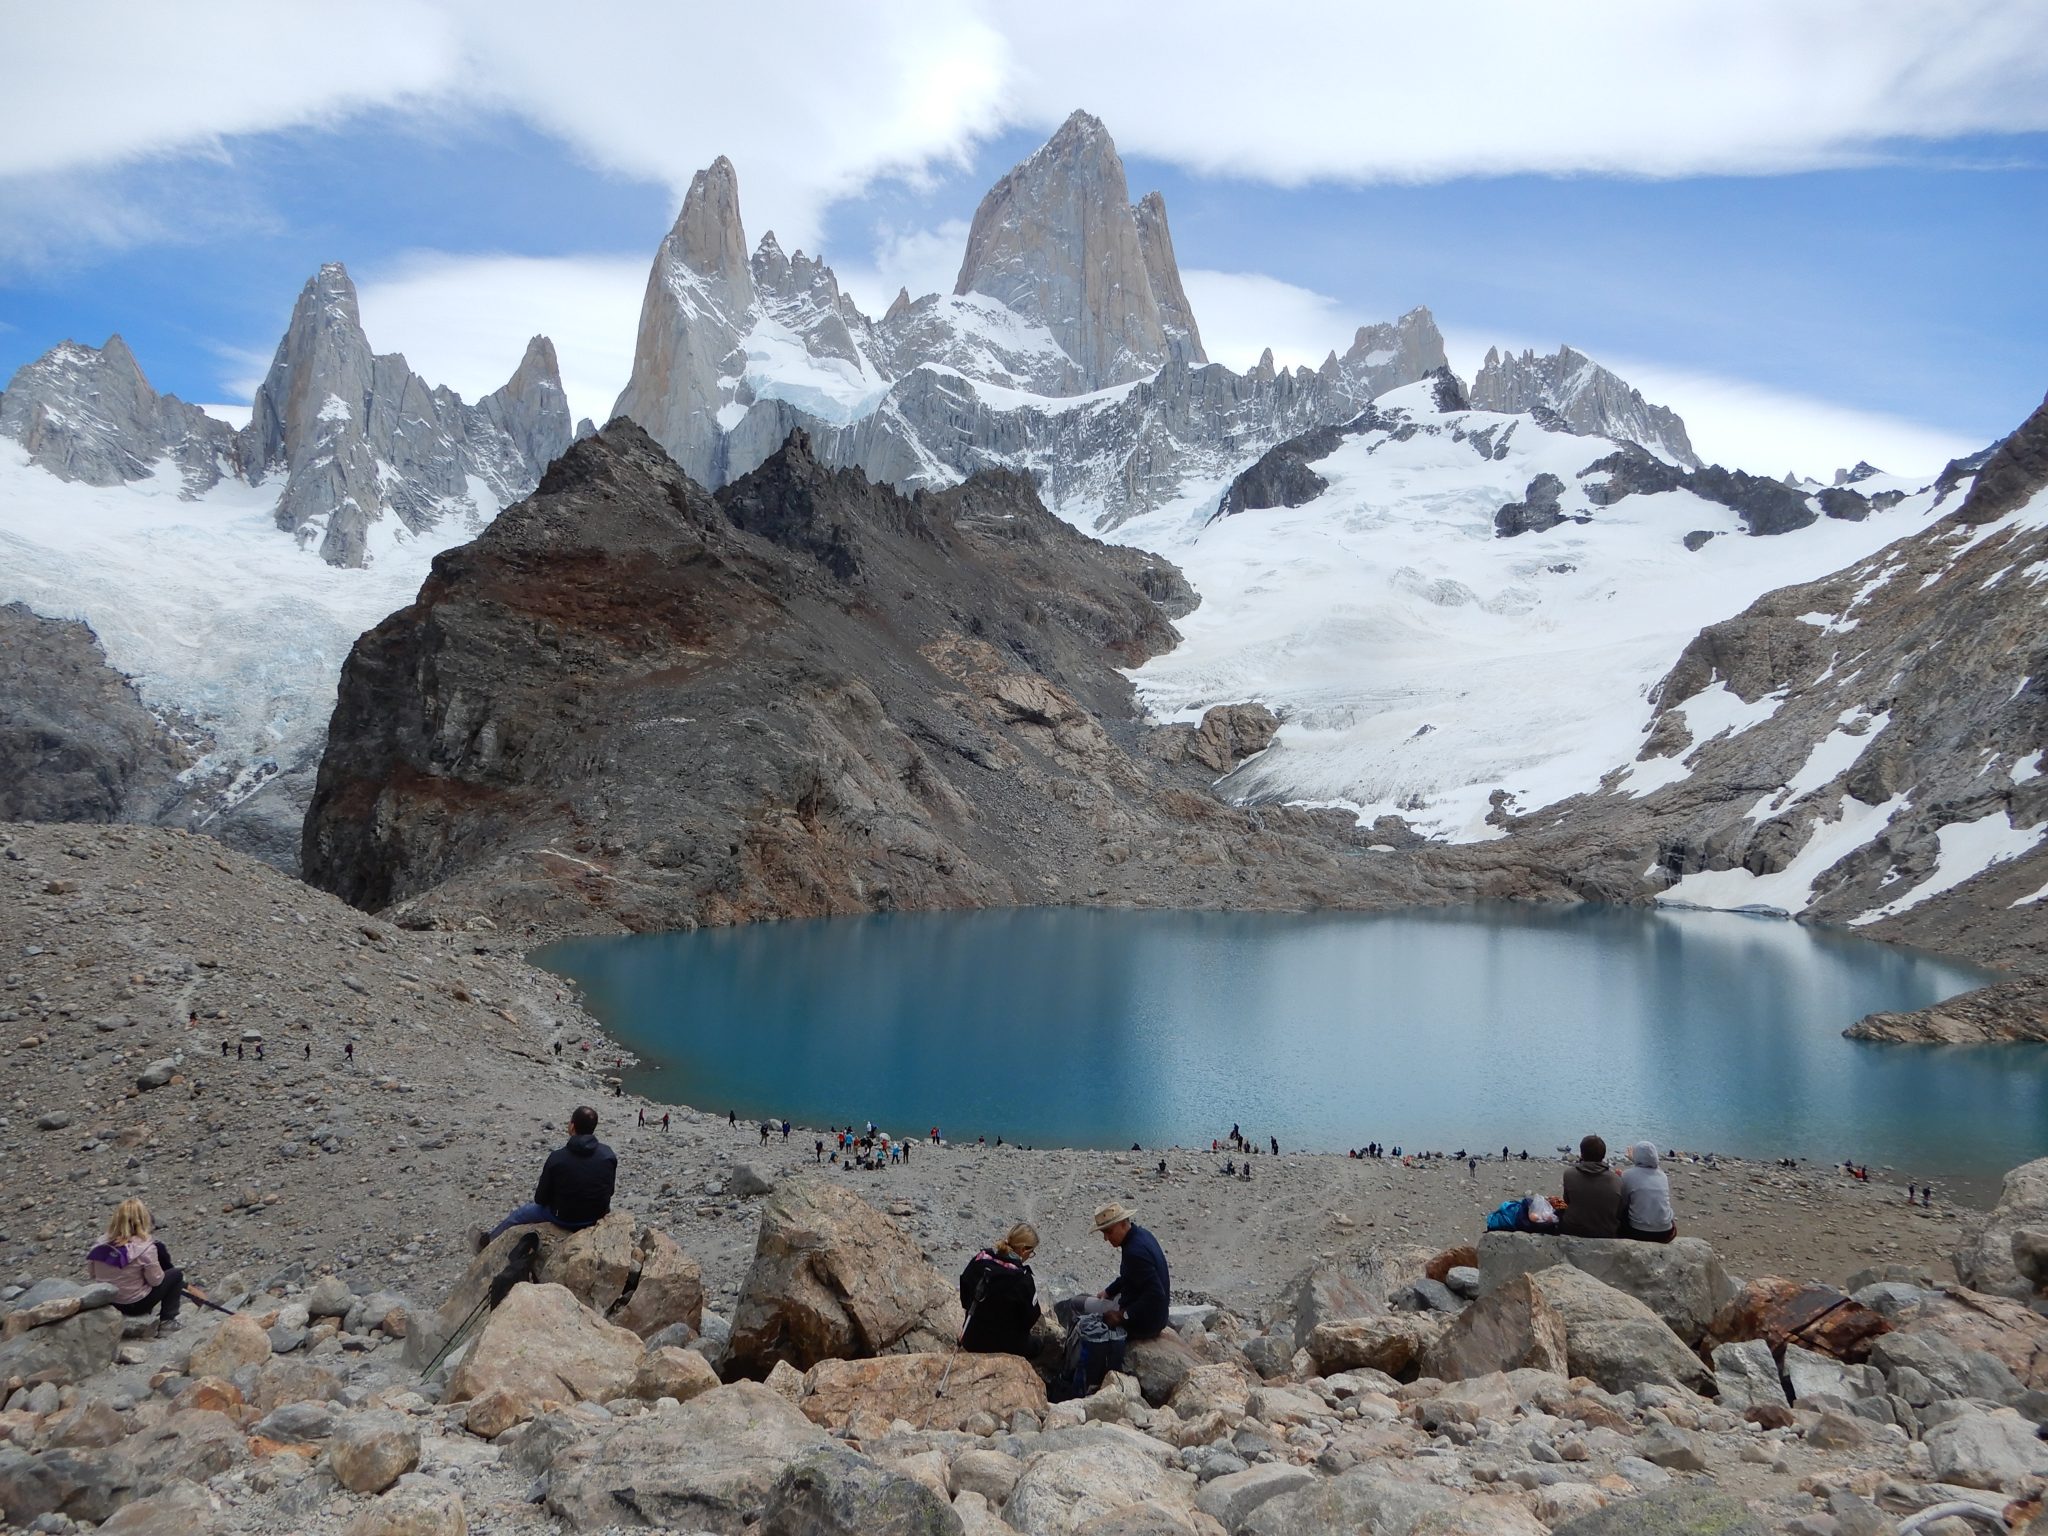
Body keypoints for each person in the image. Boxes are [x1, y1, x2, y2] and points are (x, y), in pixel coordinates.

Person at [478, 1106, 616, 1248]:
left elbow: (540, 1199)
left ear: (572, 1126)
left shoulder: (558, 1158)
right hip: (597, 1215)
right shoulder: (608, 1154)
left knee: (520, 1214)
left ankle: (488, 1241)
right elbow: (610, 1191)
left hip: (564, 1217)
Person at [87, 1198, 182, 1333]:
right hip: (135, 1305)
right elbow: (156, 1281)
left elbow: (92, 1273)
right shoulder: (145, 1247)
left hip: (109, 1302)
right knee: (176, 1275)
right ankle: (168, 1320)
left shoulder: (100, 1243)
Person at [1092, 1202, 1169, 1340]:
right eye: (1104, 1233)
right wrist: (1109, 1291)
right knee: (1091, 1300)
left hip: (1143, 1325)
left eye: (1109, 1232)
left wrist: (1122, 1315)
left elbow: (1156, 1295)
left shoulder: (1134, 1253)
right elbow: (1132, 1275)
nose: (1106, 1238)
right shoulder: (1142, 1235)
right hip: (1157, 1317)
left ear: (1122, 1224)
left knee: (1076, 1305)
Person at [960, 1223, 1041, 1355]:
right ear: (1024, 1250)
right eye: (1031, 1252)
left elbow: (964, 1292)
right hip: (1005, 1345)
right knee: (1038, 1345)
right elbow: (1030, 1317)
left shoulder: (980, 1258)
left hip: (971, 1337)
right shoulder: (1022, 1279)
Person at [1559, 1135, 1624, 1238]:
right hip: (1605, 1232)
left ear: (1581, 1154)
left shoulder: (1569, 1174)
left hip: (1573, 1229)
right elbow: (1620, 1210)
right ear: (1603, 1156)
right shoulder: (1617, 1180)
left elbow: (1567, 1200)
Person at [1618, 1143, 1677, 1242]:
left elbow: (1623, 1202)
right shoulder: (1662, 1176)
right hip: (1666, 1232)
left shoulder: (1628, 1175)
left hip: (1638, 1232)